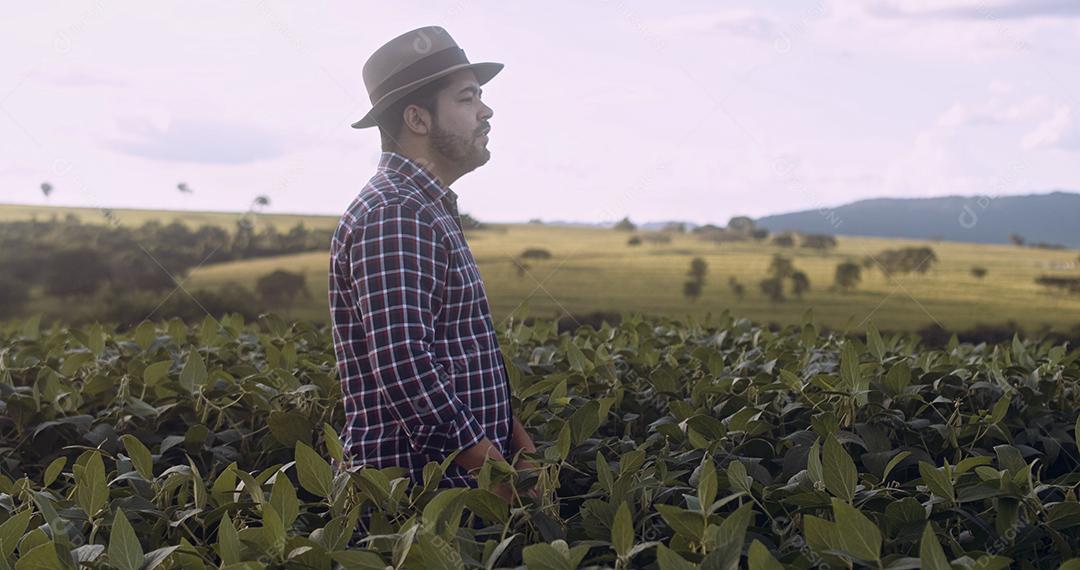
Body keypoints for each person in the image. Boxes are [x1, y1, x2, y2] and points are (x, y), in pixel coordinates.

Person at [328, 25, 538, 533]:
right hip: (420, 506)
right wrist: (491, 467)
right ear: (417, 118)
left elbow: (456, 349)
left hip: (454, 489)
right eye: (468, 99)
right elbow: (406, 366)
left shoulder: (423, 205)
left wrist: (515, 439)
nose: (485, 112)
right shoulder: (397, 212)